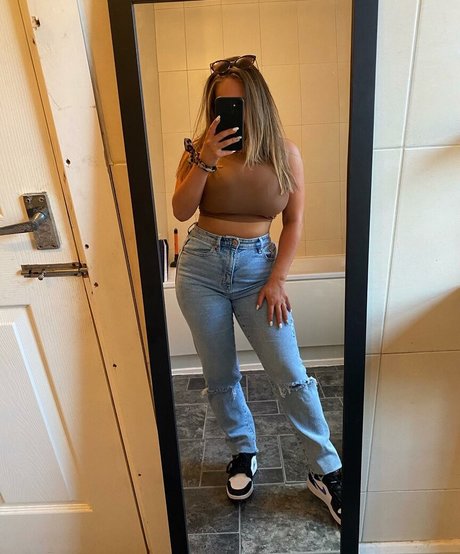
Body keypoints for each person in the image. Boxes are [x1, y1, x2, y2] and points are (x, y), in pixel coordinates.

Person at [173, 54, 342, 526]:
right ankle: (243, 451)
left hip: (258, 269)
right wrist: (206, 160)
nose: (232, 113)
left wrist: (278, 278)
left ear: (259, 103)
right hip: (201, 267)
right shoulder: (198, 151)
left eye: (240, 103)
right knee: (220, 374)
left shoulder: (286, 154)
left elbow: (294, 222)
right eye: (222, 104)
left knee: (291, 373)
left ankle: (326, 470)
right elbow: (181, 211)